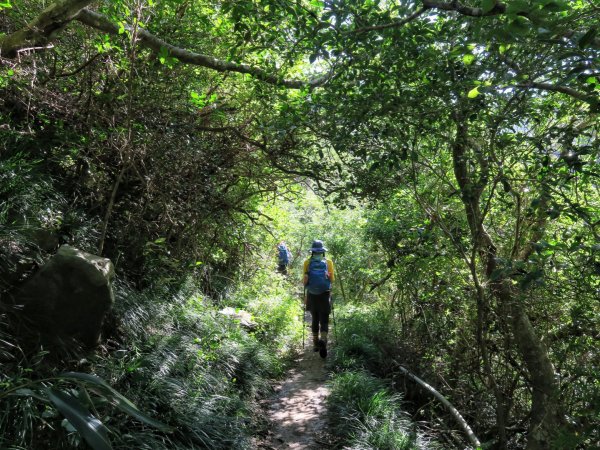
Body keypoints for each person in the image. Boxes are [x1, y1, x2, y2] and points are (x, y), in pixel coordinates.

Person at [303, 240, 334, 358]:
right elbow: (332, 280)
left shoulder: (307, 262)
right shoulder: (329, 262)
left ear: (312, 251)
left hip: (312, 294)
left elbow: (304, 281)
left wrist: (306, 293)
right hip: (324, 294)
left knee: (314, 318)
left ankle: (316, 343)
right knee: (324, 319)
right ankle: (324, 339)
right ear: (322, 251)